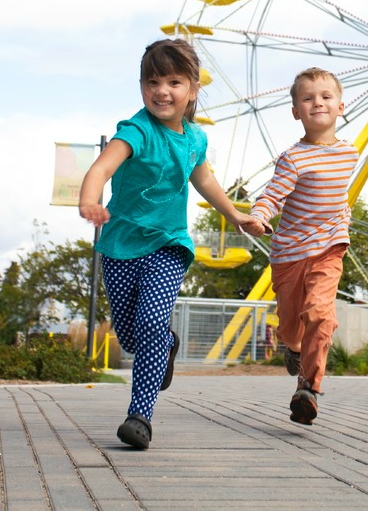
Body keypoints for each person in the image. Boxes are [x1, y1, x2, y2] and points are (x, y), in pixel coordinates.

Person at [79, 38, 252, 450]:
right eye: (152, 81)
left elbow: (204, 180)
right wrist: (89, 199)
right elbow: (102, 167)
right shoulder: (136, 131)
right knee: (133, 335)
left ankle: (140, 415)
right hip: (120, 246)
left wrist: (234, 214)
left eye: (174, 81)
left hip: (169, 247)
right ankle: (165, 346)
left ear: (193, 89)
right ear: (141, 87)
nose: (162, 90)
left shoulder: (194, 140)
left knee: (152, 322)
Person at [241, 68, 358, 425]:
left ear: (341, 107)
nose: (317, 102)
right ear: (296, 111)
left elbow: (338, 193)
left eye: (325, 97)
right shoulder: (293, 159)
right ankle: (292, 347)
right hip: (290, 253)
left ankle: (308, 388)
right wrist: (259, 216)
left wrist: (344, 215)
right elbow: (273, 194)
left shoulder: (350, 153)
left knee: (321, 315)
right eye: (307, 98)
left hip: (329, 248)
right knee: (293, 325)